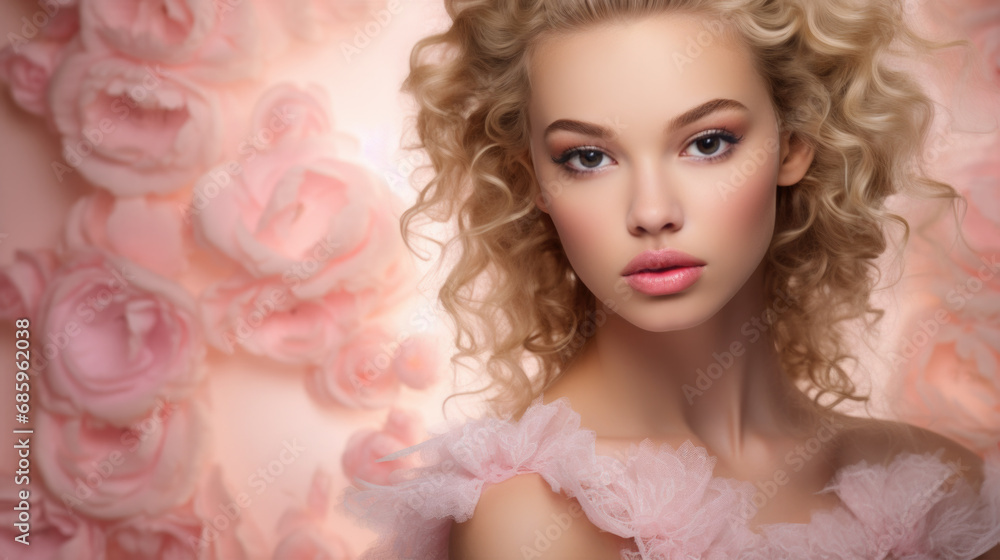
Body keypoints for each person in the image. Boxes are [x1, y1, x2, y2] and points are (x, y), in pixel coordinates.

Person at [343, 0, 1000, 557]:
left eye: (707, 143)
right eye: (589, 157)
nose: (652, 212)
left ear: (796, 143)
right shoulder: (533, 514)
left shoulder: (936, 488)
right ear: (535, 181)